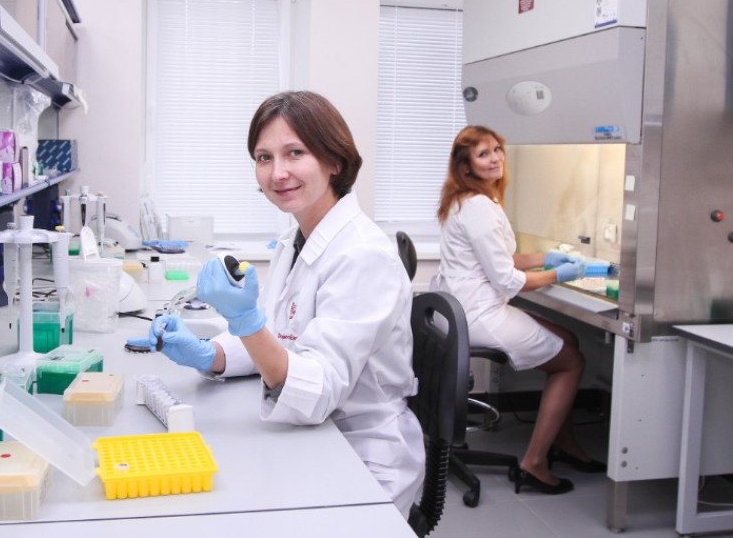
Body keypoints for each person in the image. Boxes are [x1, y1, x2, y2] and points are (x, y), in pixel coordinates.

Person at [128, 90, 424, 514]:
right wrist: (210, 353)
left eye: (295, 153)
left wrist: (246, 321)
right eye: (264, 157)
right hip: (314, 438)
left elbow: (317, 391)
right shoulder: (296, 238)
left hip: (361, 454)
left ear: (334, 160)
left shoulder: (363, 255)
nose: (277, 172)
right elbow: (278, 338)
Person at [430, 124, 604, 496]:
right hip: (479, 315)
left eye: (497, 150)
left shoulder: (466, 199)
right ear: (466, 165)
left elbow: (499, 258)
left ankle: (562, 442)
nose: (495, 159)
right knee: (571, 361)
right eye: (483, 154)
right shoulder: (478, 207)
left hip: (460, 310)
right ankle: (534, 462)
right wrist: (559, 274)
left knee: (568, 338)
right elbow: (508, 279)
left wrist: (545, 257)